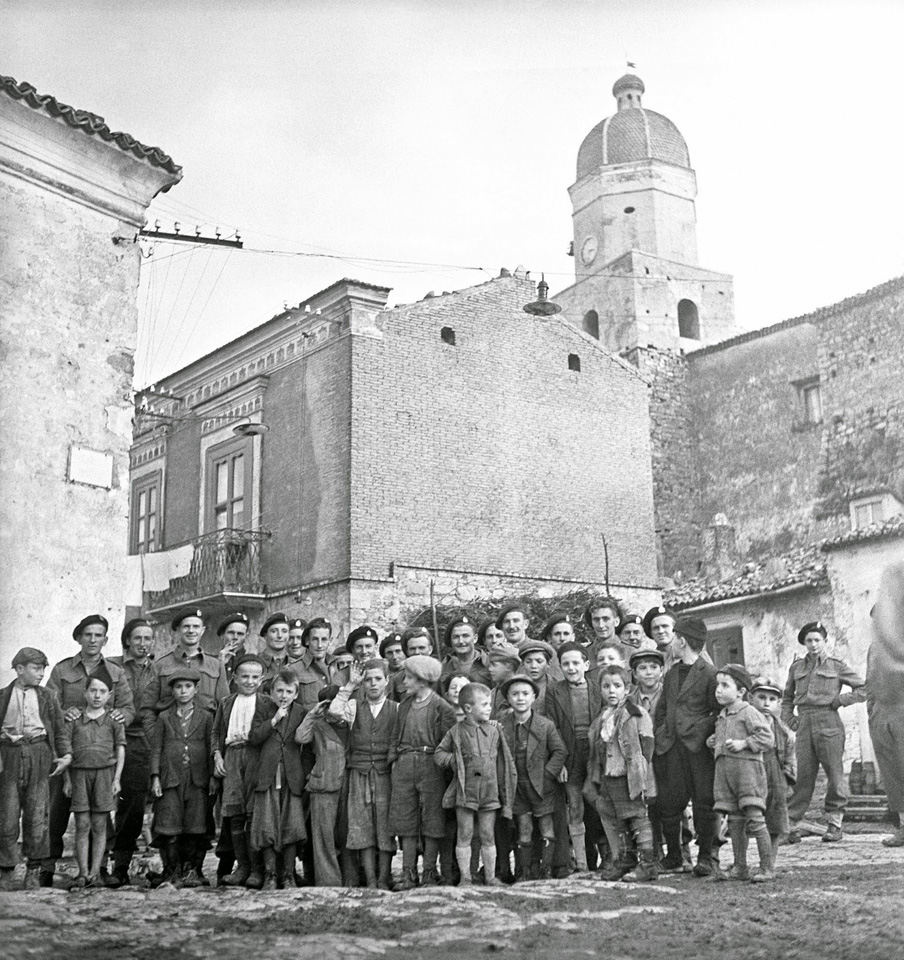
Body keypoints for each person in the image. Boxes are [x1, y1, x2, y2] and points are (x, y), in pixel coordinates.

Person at [43, 614, 134, 888]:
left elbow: (129, 708)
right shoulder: (62, 671)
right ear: (78, 638)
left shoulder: (117, 672)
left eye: (99, 635)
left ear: (106, 639)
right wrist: (63, 713)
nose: (93, 640)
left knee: (100, 816)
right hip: (66, 754)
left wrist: (119, 716)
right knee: (58, 813)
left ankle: (98, 868)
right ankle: (47, 868)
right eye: (88, 635)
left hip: (102, 752)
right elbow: (48, 705)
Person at [781, 621, 865, 843]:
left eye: (817, 640)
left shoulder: (836, 666)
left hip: (829, 721)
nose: (813, 644)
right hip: (805, 722)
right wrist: (789, 719)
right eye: (809, 640)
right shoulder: (796, 668)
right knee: (803, 776)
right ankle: (792, 826)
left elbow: (864, 687)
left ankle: (835, 824)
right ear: (804, 643)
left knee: (835, 775)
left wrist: (840, 700)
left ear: (825, 641)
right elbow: (787, 697)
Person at [653, 616, 720, 877]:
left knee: (705, 802)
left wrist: (702, 732)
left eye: (673, 638)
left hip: (699, 750)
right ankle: (674, 856)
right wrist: (661, 735)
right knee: (669, 803)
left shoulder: (711, 674)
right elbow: (663, 710)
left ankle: (706, 857)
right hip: (672, 749)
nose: (670, 643)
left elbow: (717, 713)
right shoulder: (670, 674)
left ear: (682, 640)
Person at [0, 648, 71, 891]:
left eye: (43, 668)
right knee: (7, 815)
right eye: (35, 668)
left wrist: (66, 756)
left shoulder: (48, 697)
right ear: (19, 669)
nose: (41, 674)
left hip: (40, 753)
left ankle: (33, 869)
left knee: (37, 815)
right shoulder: (1, 697)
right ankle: (6, 870)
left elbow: (60, 730)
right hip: (9, 754)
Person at [435, 682, 516, 887]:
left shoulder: (495, 731)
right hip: (465, 791)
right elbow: (439, 754)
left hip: (490, 791)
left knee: (488, 834)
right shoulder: (455, 732)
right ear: (469, 708)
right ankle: (466, 877)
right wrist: (453, 760)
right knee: (465, 833)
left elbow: (504, 762)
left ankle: (490, 877)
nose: (490, 708)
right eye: (485, 704)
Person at [584, 665, 658, 882]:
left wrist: (641, 773)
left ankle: (647, 864)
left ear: (627, 689)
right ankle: (627, 858)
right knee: (618, 819)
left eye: (617, 686)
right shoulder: (602, 717)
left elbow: (647, 745)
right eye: (606, 686)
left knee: (637, 817)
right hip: (609, 775)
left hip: (630, 775)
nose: (611, 691)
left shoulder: (636, 713)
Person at [329, 658, 400, 889]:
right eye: (368, 680)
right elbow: (333, 711)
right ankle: (370, 880)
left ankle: (383, 878)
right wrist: (350, 685)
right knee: (363, 828)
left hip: (385, 775)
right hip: (358, 775)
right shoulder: (353, 707)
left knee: (385, 828)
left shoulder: (396, 709)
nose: (372, 684)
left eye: (378, 679)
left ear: (387, 681)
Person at [388, 654, 456, 889]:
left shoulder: (441, 707)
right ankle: (408, 874)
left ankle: (428, 872)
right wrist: (394, 762)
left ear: (423, 681)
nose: (404, 682)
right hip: (405, 765)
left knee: (432, 821)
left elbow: (448, 743)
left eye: (408, 678)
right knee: (405, 821)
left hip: (431, 766)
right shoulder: (404, 705)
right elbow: (395, 736)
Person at [708, 664, 774, 882]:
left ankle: (767, 868)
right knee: (735, 822)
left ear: (741, 691)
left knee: (755, 819)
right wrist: (714, 742)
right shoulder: (722, 715)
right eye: (718, 684)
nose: (719, 689)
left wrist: (745, 743)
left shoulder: (749, 712)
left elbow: (766, 738)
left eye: (725, 685)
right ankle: (740, 867)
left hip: (748, 775)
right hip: (727, 776)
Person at [149, 666, 214, 888]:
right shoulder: (164, 717)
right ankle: (171, 870)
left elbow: (210, 746)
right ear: (173, 691)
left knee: (196, 824)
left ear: (196, 690)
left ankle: (193, 870)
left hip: (198, 779)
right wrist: (156, 776)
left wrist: (213, 777)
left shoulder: (206, 718)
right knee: (169, 823)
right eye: (178, 687)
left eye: (188, 687)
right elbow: (156, 748)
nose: (183, 691)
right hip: (171, 778)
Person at [498, 676, 566, 881]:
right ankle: (524, 870)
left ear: (534, 697)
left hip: (541, 785)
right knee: (524, 826)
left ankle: (546, 869)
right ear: (508, 699)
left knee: (546, 825)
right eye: (515, 694)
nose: (520, 698)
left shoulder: (545, 725)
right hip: (516, 786)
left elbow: (560, 752)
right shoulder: (501, 726)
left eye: (525, 694)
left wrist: (547, 774)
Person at [64, 668, 126, 889]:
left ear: (109, 695)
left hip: (104, 775)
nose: (97, 696)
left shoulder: (113, 720)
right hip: (79, 775)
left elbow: (120, 750)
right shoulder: (74, 720)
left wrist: (116, 779)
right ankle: (81, 873)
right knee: (82, 825)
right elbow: (66, 751)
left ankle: (95, 873)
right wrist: (67, 780)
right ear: (85, 692)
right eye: (93, 691)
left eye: (102, 691)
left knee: (100, 825)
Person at [213, 654, 270, 889]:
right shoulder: (226, 702)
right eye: (244, 676)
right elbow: (216, 733)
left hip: (256, 756)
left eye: (255, 677)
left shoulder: (267, 703)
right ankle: (242, 866)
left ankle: (257, 869)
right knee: (235, 813)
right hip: (233, 756)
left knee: (252, 813)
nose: (249, 681)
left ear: (262, 679)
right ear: (234, 678)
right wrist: (217, 754)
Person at [545, 641, 602, 872]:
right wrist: (560, 763)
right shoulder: (554, 691)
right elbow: (553, 727)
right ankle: (581, 863)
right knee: (575, 807)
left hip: (595, 753)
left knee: (600, 806)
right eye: (565, 664)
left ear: (586, 664)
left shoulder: (598, 688)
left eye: (576, 663)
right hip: (569, 755)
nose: (571, 668)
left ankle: (608, 857)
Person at [107, 617, 156, 886]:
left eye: (147, 638)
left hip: (148, 740)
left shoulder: (158, 670)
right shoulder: (113, 667)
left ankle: (127, 863)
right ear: (127, 640)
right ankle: (112, 864)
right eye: (137, 638)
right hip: (120, 739)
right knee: (120, 803)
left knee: (145, 803)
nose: (142, 643)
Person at [248, 669, 307, 889]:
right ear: (271, 691)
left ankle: (288, 875)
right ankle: (270, 874)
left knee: (292, 825)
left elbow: (307, 747)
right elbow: (253, 737)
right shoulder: (263, 709)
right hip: (268, 776)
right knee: (267, 825)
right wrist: (274, 720)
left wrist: (305, 775)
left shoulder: (301, 712)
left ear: (296, 693)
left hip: (292, 776)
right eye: (279, 690)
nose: (283, 695)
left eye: (288, 691)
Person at [867, 562, 904, 847]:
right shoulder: (874, 650)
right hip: (882, 713)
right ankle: (903, 828)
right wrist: (872, 714)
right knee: (892, 775)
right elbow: (870, 684)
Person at [296, 685, 348, 886]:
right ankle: (328, 881)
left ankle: (350, 878)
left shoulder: (352, 723)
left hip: (349, 784)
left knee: (344, 835)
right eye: (329, 705)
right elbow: (300, 737)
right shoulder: (317, 725)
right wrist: (311, 715)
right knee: (323, 838)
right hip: (322, 785)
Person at [750, 675, 796, 872]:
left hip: (775, 776)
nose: (766, 703)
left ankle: (769, 864)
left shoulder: (783, 731)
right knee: (749, 817)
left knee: (775, 821)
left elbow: (790, 755)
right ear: (751, 698)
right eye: (761, 697)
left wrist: (787, 778)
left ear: (777, 702)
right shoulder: (746, 723)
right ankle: (741, 864)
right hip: (751, 773)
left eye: (771, 699)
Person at [441, 616, 492, 686]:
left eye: (465, 636)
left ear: (475, 638)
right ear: (451, 640)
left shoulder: (489, 663)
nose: (461, 641)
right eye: (456, 637)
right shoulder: (444, 667)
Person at [294, 617, 332, 709]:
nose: (319, 645)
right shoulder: (293, 670)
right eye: (315, 639)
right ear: (307, 641)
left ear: (330, 641)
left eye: (324, 639)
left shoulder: (338, 666)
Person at [517, 640, 557, 715]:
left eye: (539, 661)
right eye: (528, 661)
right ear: (522, 664)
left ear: (548, 664)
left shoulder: (556, 688)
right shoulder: (515, 687)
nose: (533, 666)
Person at [584, 597, 623, 663]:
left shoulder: (631, 652)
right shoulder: (585, 654)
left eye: (606, 619)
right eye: (596, 620)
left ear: (616, 621)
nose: (601, 625)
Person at [216, 612, 251, 680]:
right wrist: (220, 664)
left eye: (240, 634)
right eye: (231, 633)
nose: (235, 637)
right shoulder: (211, 662)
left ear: (246, 637)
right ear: (222, 635)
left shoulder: (251, 661)